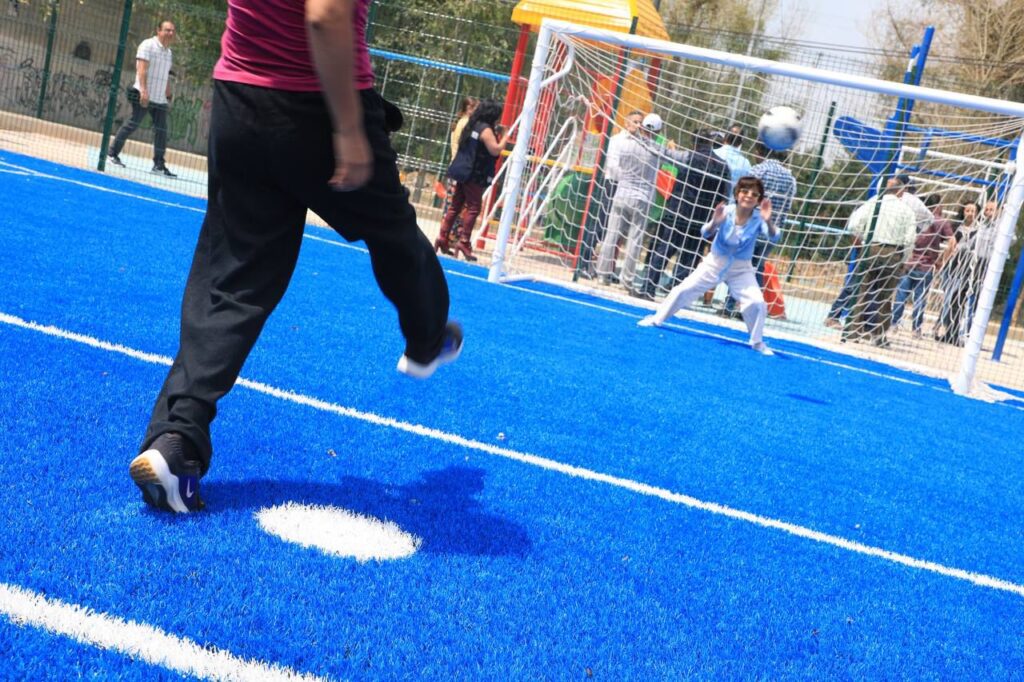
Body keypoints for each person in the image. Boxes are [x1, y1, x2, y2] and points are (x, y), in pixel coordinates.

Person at [128, 0, 462, 514]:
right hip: (316, 106)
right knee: (396, 235)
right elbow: (325, 15)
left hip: (239, 99)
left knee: (233, 280)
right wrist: (348, 128)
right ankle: (427, 338)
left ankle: (176, 440)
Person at [637, 175, 780, 356]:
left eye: (754, 194)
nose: (749, 196)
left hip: (741, 269)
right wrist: (715, 222)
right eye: (745, 191)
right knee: (683, 289)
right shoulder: (726, 211)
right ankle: (657, 319)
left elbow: (775, 237)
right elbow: (705, 233)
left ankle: (757, 342)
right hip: (714, 263)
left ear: (758, 200)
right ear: (737, 194)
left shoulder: (759, 218)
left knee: (757, 302)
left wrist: (768, 220)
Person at [596, 112, 685, 293]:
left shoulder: (627, 144)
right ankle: (626, 281)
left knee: (611, 235)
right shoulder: (658, 149)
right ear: (659, 130)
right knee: (634, 241)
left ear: (642, 125)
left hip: (622, 193)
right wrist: (675, 149)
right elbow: (680, 159)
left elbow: (615, 166)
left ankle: (602, 274)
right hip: (643, 198)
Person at [639, 127, 729, 299]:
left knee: (664, 250)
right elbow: (724, 197)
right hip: (701, 219)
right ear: (710, 143)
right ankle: (677, 294)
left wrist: (641, 137)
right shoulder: (723, 166)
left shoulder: (687, 156)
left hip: (678, 213)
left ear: (694, 142)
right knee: (689, 257)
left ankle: (648, 288)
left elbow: (662, 152)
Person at [721, 141, 796, 317]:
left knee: (738, 266)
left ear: (762, 151)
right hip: (771, 229)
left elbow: (742, 197)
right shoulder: (791, 179)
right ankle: (749, 308)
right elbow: (788, 205)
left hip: (752, 228)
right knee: (757, 268)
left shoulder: (758, 170)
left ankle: (730, 305)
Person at [842, 176, 917, 346]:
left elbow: (853, 225)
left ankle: (853, 332)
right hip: (892, 253)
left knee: (861, 291)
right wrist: (903, 260)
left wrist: (862, 242)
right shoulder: (906, 211)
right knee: (884, 297)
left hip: (870, 248)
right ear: (901, 191)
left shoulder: (874, 202)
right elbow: (910, 239)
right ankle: (879, 336)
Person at [434, 99, 508, 261]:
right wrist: (505, 137)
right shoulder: (485, 129)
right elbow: (494, 150)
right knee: (474, 207)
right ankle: (464, 241)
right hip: (474, 173)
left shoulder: (471, 124)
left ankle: (442, 237)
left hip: (461, 169)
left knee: (455, 205)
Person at [107, 20, 179, 177]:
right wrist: (144, 92)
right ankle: (111, 154)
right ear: (158, 30)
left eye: (173, 31)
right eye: (167, 30)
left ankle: (159, 165)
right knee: (132, 124)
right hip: (144, 95)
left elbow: (165, 75)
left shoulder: (168, 53)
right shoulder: (147, 45)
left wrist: (167, 93)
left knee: (162, 131)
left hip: (160, 99)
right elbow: (142, 71)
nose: (171, 34)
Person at [578, 111, 643, 279]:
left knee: (618, 230)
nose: (638, 125)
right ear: (626, 122)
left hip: (629, 189)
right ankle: (583, 263)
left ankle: (607, 269)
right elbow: (613, 166)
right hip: (613, 185)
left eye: (640, 122)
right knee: (601, 225)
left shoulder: (642, 144)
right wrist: (629, 177)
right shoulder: (616, 141)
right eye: (635, 121)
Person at [891, 193, 955, 338]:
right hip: (926, 267)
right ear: (939, 205)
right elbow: (952, 242)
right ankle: (916, 329)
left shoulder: (916, 218)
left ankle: (894, 324)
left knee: (901, 296)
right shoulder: (942, 222)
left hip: (909, 263)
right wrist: (942, 261)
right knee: (920, 299)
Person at [713, 123, 752, 193]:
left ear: (725, 137)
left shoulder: (713, 154)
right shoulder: (746, 163)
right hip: (733, 202)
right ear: (741, 142)